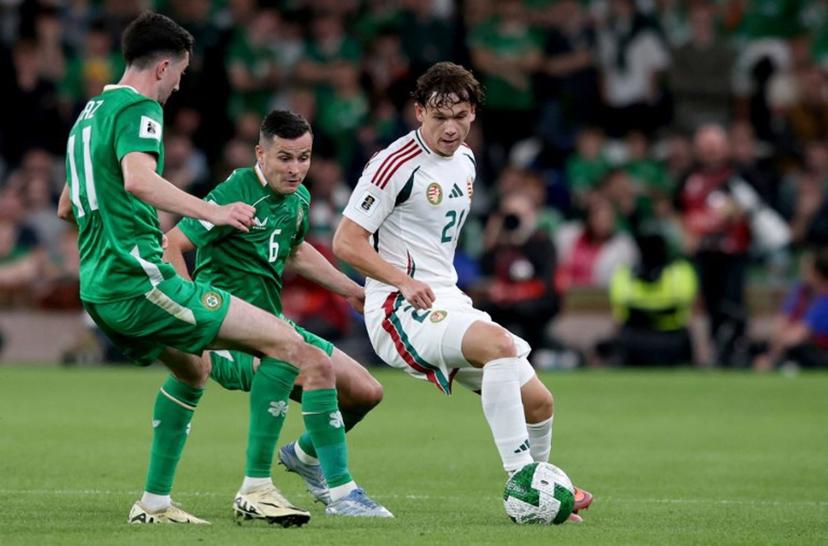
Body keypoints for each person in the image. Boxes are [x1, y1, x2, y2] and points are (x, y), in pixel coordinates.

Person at [56, 12, 349, 526]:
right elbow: (139, 180)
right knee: (286, 343)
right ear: (163, 67)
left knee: (194, 370)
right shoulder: (140, 109)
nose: (178, 84)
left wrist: (117, 229)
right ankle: (258, 489)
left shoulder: (90, 115)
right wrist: (213, 211)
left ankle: (154, 504)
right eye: (180, 73)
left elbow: (67, 204)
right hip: (139, 282)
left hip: (99, 288)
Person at [332, 62, 592, 522]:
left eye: (460, 116)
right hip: (398, 308)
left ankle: (544, 490)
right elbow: (346, 242)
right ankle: (524, 482)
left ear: (473, 113)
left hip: (447, 299)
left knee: (539, 402)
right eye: (439, 117)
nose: (450, 128)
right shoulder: (393, 164)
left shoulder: (467, 159)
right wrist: (402, 280)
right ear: (419, 112)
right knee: (499, 345)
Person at [163, 110, 391, 518]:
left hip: (273, 328)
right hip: (228, 334)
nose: (296, 169)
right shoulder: (236, 191)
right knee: (318, 367)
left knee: (365, 392)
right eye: (285, 158)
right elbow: (172, 244)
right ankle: (342, 493)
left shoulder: (297, 199)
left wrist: (351, 290)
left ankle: (303, 455)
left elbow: (296, 251)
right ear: (261, 154)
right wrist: (191, 319)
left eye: (304, 157)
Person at [597, 232, 697, 366]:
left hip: (654, 341)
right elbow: (687, 312)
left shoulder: (624, 276)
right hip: (657, 341)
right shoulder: (680, 273)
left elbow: (619, 317)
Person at [754, 248, 828, 371]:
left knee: (798, 348)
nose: (802, 272)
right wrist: (771, 350)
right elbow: (782, 321)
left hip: (820, 350)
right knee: (758, 343)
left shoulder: (825, 296)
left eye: (806, 269)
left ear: (818, 272)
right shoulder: (801, 291)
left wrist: (771, 358)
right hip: (795, 342)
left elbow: (801, 332)